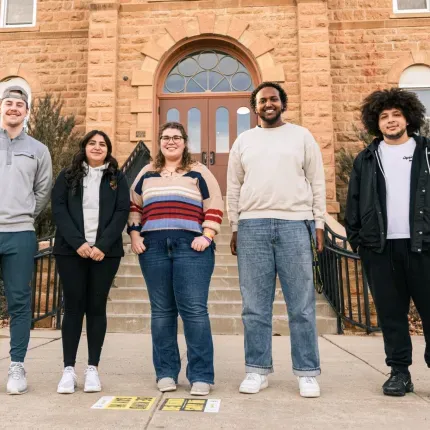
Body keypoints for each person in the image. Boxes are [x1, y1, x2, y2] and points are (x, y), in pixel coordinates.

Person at [227, 81, 326, 398]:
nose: (268, 103)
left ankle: (307, 372)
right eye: (262, 100)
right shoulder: (244, 141)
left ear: (282, 103)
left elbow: (317, 181)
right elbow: (233, 187)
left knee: (302, 306)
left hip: (296, 224)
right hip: (252, 225)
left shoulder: (302, 136)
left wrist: (319, 223)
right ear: (255, 107)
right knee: (254, 307)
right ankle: (256, 370)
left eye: (273, 99)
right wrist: (234, 226)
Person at [345, 88, 430, 397]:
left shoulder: (427, 151)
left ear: (408, 117)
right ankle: (399, 372)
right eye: (384, 116)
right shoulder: (367, 158)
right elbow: (352, 203)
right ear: (376, 123)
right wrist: (359, 242)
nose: (391, 121)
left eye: (396, 115)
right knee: (391, 314)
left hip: (423, 245)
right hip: (380, 249)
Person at [128, 121, 223, 396]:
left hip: (191, 248)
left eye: (176, 137)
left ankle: (201, 376)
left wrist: (207, 235)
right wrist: (135, 236)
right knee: (161, 313)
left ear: (185, 142)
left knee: (194, 312)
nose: (171, 141)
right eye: (166, 137)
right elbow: (134, 206)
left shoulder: (198, 171)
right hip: (154, 248)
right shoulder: (146, 173)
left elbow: (214, 204)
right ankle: (166, 373)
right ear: (159, 142)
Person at [52, 130, 129, 394]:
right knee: (73, 308)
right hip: (70, 251)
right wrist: (80, 244)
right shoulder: (67, 176)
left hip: (104, 254)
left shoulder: (117, 178)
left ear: (108, 149)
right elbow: (59, 210)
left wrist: (102, 246)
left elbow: (122, 213)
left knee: (96, 308)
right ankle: (68, 371)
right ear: (84, 147)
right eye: (92, 143)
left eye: (102, 144)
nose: (97, 147)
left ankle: (93, 369)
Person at [0, 85, 52, 395]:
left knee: (19, 302)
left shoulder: (38, 149)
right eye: (9, 103)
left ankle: (17, 365)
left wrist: (25, 212)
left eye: (20, 104)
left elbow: (43, 189)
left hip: (20, 233)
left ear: (27, 111)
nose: (14, 108)